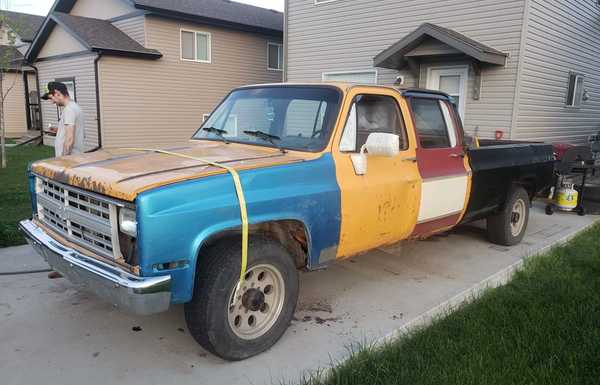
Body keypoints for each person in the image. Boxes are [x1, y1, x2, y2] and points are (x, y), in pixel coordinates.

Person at [42, 81, 85, 157]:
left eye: (51, 98)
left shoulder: (69, 110)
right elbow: (72, 130)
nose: (52, 102)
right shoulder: (74, 107)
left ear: (57, 93)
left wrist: (63, 160)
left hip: (70, 160)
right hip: (75, 158)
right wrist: (58, 130)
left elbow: (69, 139)